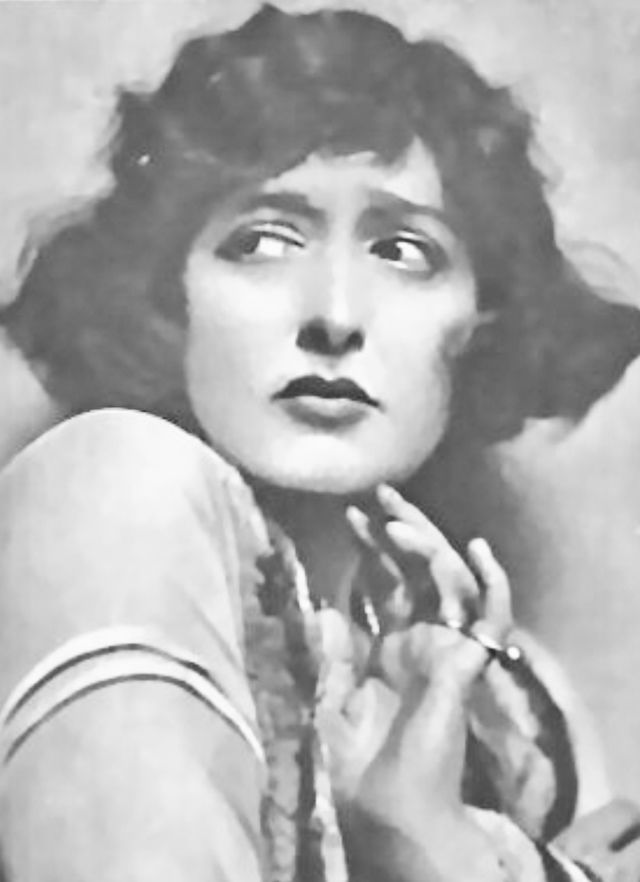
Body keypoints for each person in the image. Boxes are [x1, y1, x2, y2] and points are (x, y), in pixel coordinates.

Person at [0, 5, 639, 880]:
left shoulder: (518, 714)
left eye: (404, 251)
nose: (335, 316)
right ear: (168, 298)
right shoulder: (105, 501)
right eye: (262, 241)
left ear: (480, 319)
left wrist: (424, 837)